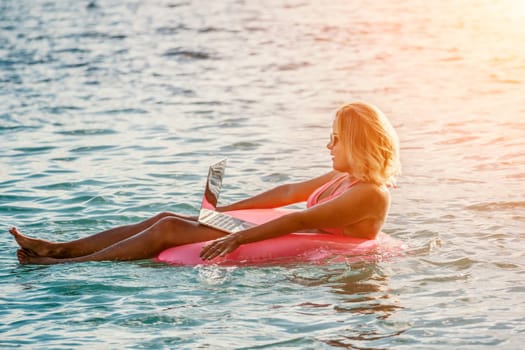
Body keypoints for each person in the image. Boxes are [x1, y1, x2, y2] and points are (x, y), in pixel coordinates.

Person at [9, 101, 401, 264]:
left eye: (335, 138)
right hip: (283, 227)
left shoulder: (368, 194)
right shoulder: (344, 176)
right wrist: (225, 212)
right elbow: (287, 194)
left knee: (167, 229)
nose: (328, 144)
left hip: (302, 236)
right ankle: (58, 248)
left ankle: (70, 265)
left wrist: (238, 236)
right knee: (166, 216)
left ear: (355, 142)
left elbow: (299, 221)